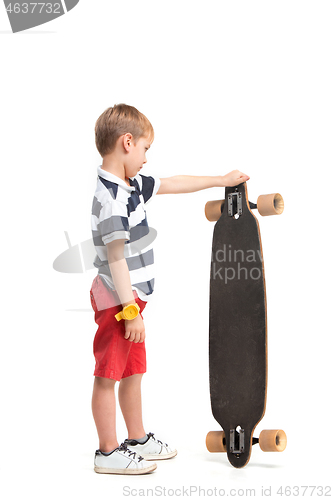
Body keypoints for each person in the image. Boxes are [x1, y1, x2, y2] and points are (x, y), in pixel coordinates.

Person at [90, 103, 250, 475]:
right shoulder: (112, 199)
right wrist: (130, 311)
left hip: (132, 301)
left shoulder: (129, 184)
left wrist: (219, 180)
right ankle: (107, 451)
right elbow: (116, 261)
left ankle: (137, 438)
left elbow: (173, 182)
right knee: (107, 374)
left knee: (133, 372)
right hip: (118, 300)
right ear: (126, 143)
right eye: (146, 149)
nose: (147, 158)